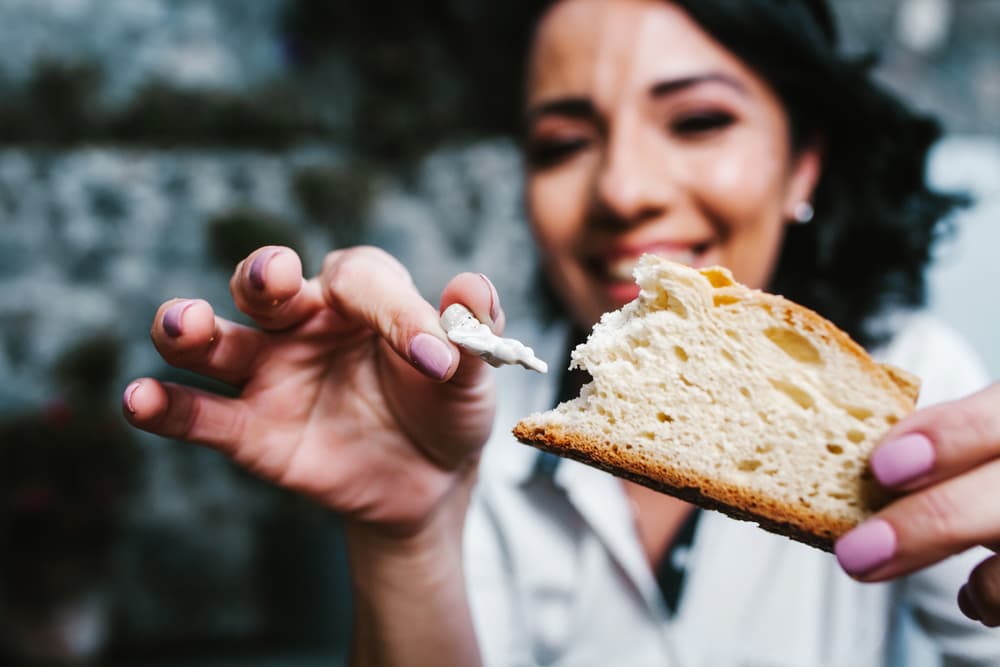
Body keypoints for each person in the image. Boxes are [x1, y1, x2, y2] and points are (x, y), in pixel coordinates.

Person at [121, 0, 1000, 664]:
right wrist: (406, 535)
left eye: (698, 120)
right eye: (561, 142)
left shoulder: (913, 391)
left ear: (803, 161)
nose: (620, 189)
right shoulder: (459, 414)